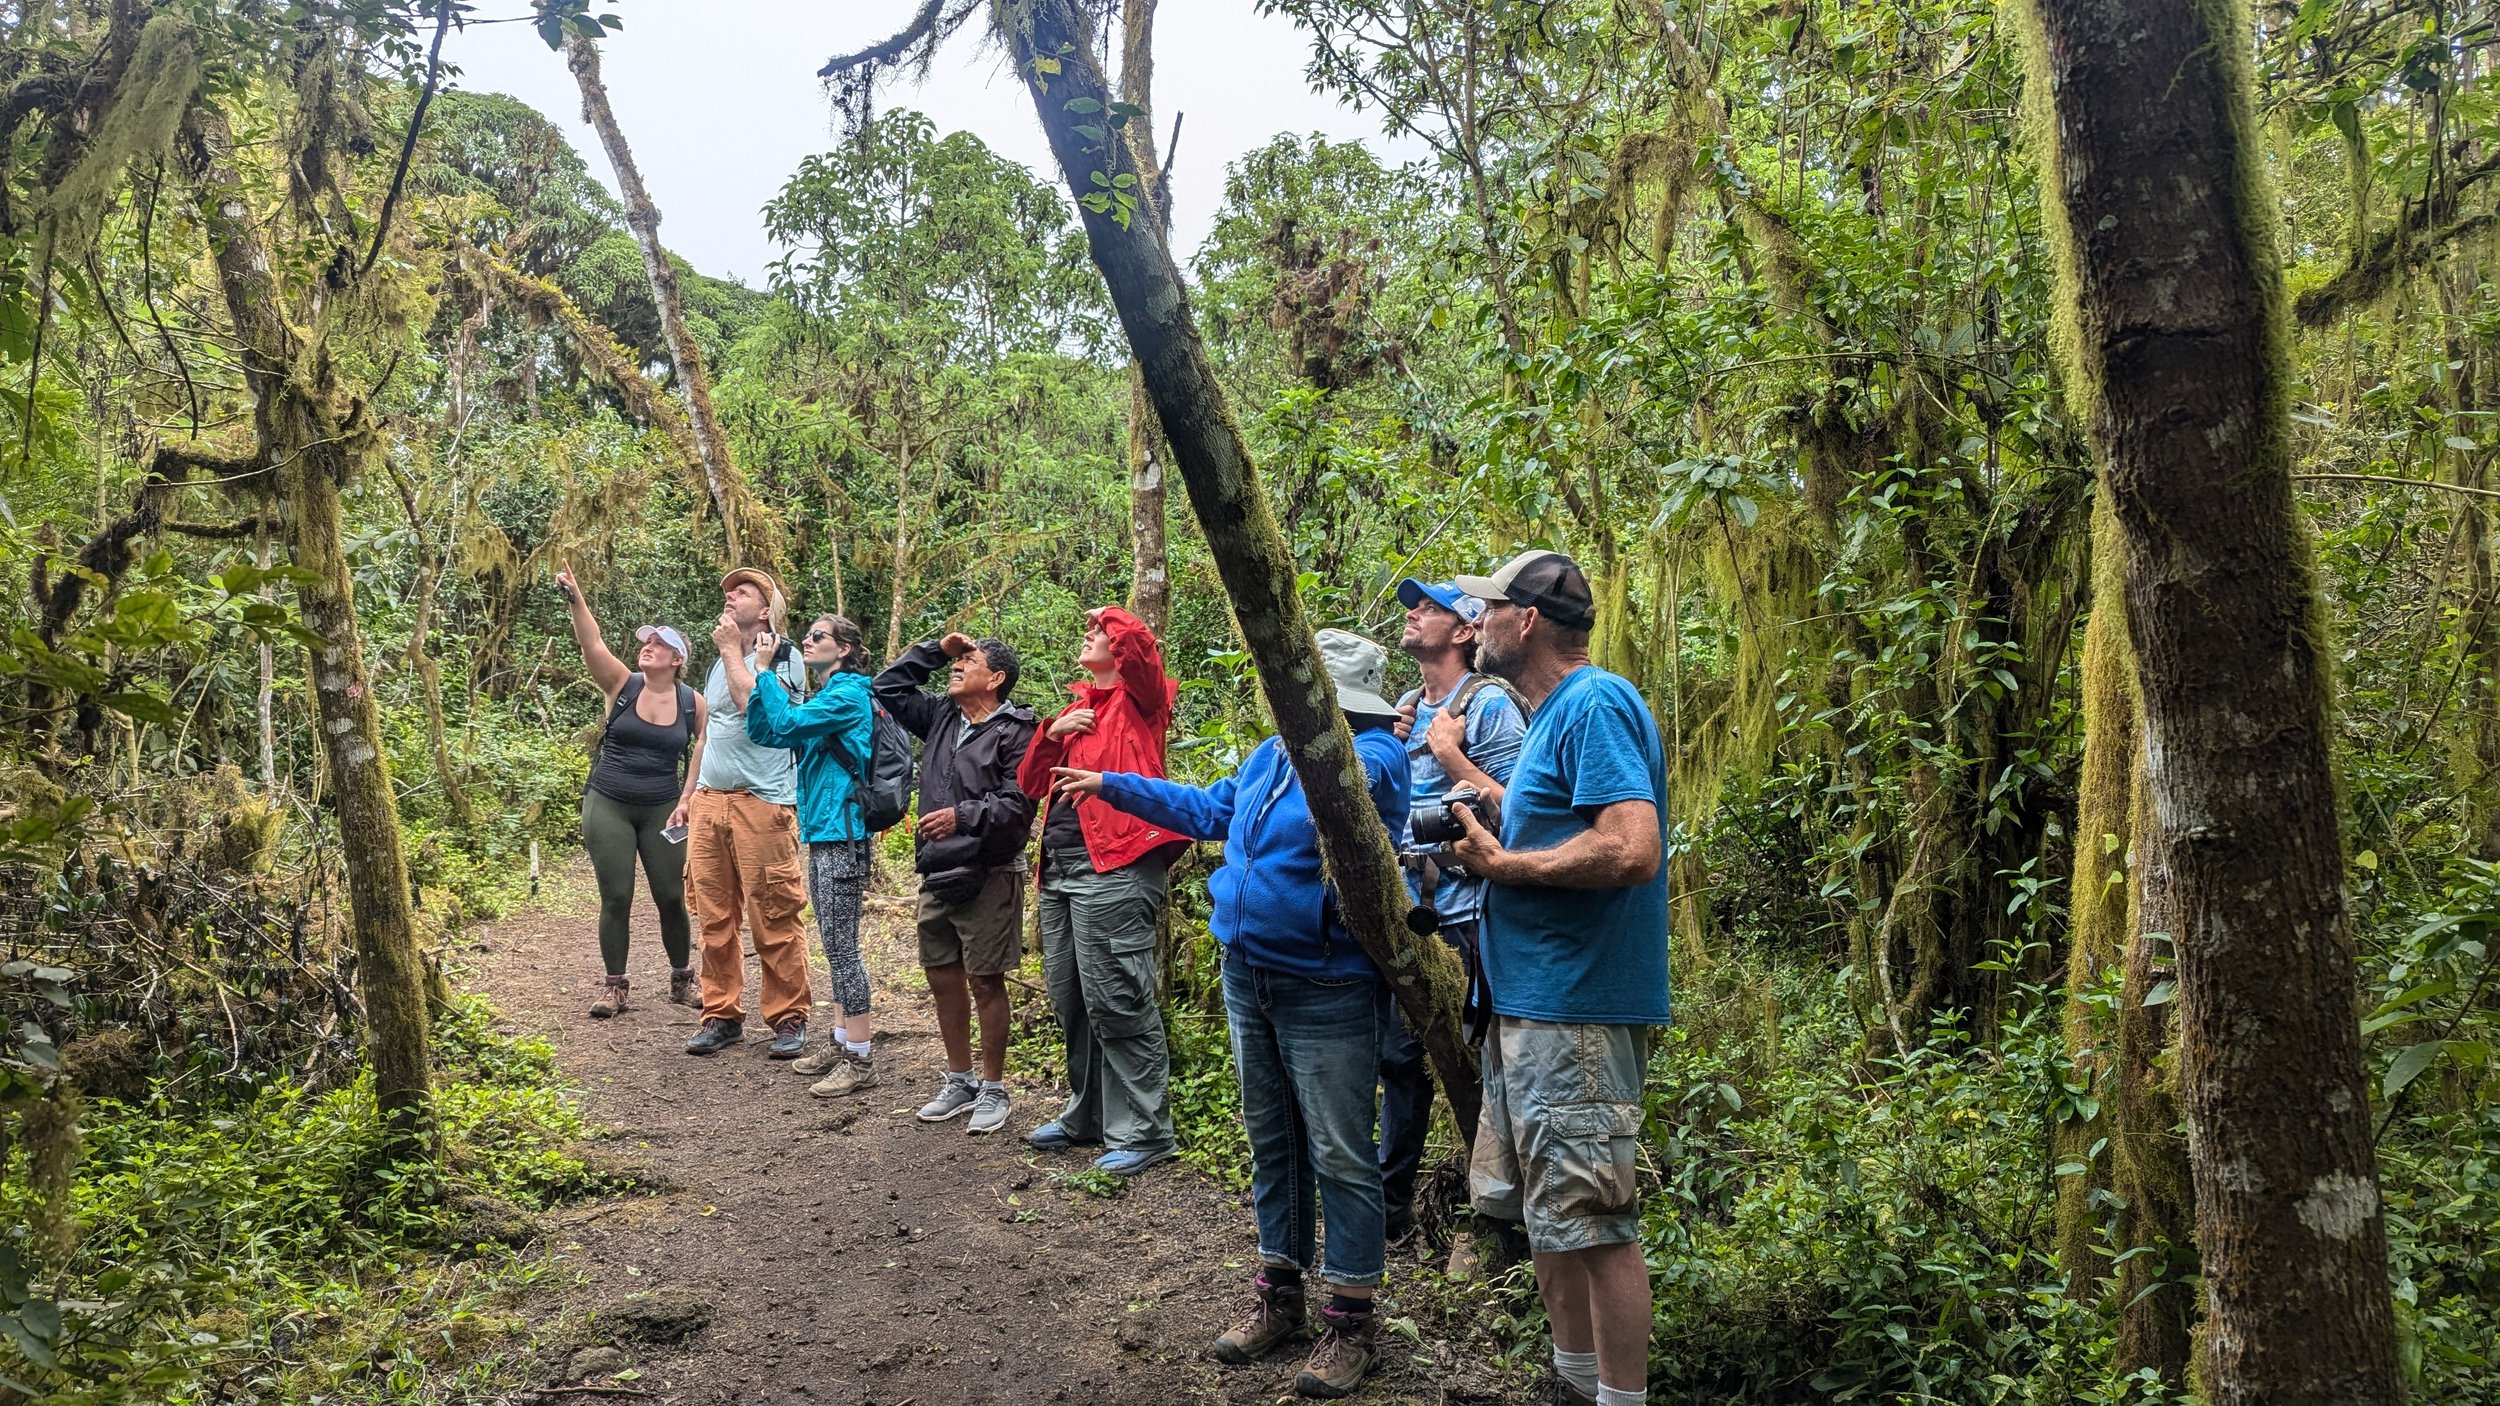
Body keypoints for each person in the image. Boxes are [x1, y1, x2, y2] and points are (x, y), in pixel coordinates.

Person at [1051, 628, 1410, 1401]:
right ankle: (1279, 1294)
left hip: (1328, 982)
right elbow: (1212, 811)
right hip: (1250, 973)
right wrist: (1112, 783)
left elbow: (1357, 810)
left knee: (1342, 1151)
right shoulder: (1272, 754)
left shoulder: (1371, 757)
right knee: (1272, 1139)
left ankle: (1351, 1319)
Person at [1445, 549, 1669, 1406]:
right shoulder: (1551, 718)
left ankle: (1618, 1397)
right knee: (1553, 1213)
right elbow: (1555, 823)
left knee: (1597, 1218)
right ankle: (1573, 1382)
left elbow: (1630, 845)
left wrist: (1505, 868)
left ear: (1526, 619)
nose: (1475, 627)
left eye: (1487, 610)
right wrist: (1484, 820)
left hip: (1575, 1009)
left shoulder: (1595, 701)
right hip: (1531, 1004)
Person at [1015, 606, 1190, 1176]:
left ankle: (1146, 1129)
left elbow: (1140, 650)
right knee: (1072, 999)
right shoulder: (1076, 708)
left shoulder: (1145, 701)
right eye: (1092, 632)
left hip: (1116, 864)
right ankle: (1087, 1114)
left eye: (1100, 635)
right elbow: (1030, 785)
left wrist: (1112, 616)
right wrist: (1050, 732)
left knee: (1118, 996)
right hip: (1060, 867)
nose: (1090, 637)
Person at [1379, 578, 1526, 1242]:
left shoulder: (1490, 705)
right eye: (1415, 605)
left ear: (1466, 631)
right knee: (1398, 1058)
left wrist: (1449, 755)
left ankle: (1493, 1216)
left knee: (1475, 1058)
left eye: (1432, 608)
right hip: (1404, 904)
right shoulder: (1405, 705)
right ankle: (1392, 1207)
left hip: (1466, 908)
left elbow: (1521, 813)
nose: (1414, 613)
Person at [875, 631, 1038, 1136]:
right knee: (941, 971)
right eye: (957, 660)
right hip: (937, 869)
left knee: (985, 979)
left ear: (996, 679)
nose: (958, 667)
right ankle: (960, 1080)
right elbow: (886, 687)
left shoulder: (1017, 730)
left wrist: (962, 816)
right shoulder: (942, 715)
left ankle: (994, 1088)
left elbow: (1019, 804)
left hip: (989, 871)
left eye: (969, 661)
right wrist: (936, 650)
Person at [555, 566, 707, 1018]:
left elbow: (708, 746)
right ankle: (615, 986)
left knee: (670, 897)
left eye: (660, 645)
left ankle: (682, 979)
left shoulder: (692, 702)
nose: (649, 647)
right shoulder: (622, 684)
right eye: (647, 642)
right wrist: (575, 598)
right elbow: (591, 643)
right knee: (616, 895)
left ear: (677, 659)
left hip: (663, 807)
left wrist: (689, 797)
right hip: (609, 803)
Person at [742, 613, 881, 1096]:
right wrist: (770, 679)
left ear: (842, 649)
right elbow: (768, 731)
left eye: (818, 636)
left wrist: (763, 672)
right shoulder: (827, 696)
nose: (808, 640)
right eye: (808, 636)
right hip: (824, 832)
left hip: (844, 835)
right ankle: (842, 1042)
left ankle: (861, 1060)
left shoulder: (848, 695)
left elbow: (784, 720)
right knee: (835, 945)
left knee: (844, 950)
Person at [683, 567, 815, 1059]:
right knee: (713, 914)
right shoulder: (721, 661)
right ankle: (720, 1014)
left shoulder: (782, 657)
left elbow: (750, 705)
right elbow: (710, 730)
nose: (729, 596)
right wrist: (688, 794)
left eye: (742, 592)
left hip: (762, 801)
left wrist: (728, 651)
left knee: (773, 912)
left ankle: (788, 1017)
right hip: (710, 799)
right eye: (729, 591)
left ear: (763, 611)